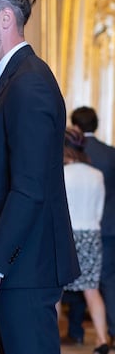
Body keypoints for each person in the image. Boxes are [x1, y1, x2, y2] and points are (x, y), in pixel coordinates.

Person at [0, 0, 80, 354]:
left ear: (5, 19)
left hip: (23, 271)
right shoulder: (9, 81)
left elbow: (29, 189)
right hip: (14, 269)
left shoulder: (29, 83)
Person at [64, 106, 115, 347]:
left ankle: (50, 337)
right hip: (93, 234)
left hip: (69, 235)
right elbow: (99, 208)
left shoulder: (62, 174)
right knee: (92, 290)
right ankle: (103, 339)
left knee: (55, 290)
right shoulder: (96, 174)